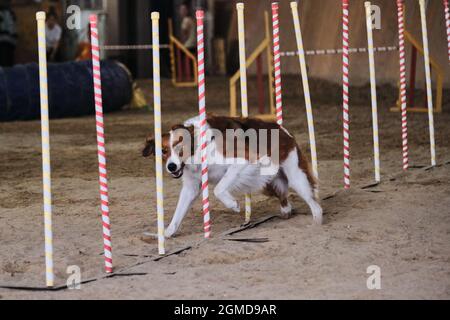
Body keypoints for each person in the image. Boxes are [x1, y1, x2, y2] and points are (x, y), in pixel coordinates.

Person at [0, 2, 17, 67]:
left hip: (8, 43)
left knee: (7, 64)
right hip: (6, 42)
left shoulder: (9, 13)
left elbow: (13, 29)